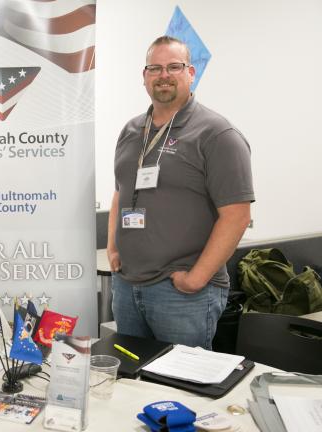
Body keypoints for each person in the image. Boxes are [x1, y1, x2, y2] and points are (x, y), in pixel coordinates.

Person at [107, 36, 254, 349]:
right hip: (127, 286)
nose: (164, 75)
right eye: (155, 68)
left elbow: (237, 216)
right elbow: (120, 192)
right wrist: (113, 250)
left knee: (183, 386)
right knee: (133, 381)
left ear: (191, 73)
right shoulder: (132, 131)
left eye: (174, 67)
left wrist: (197, 278)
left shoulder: (217, 134)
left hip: (182, 294)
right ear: (144, 76)